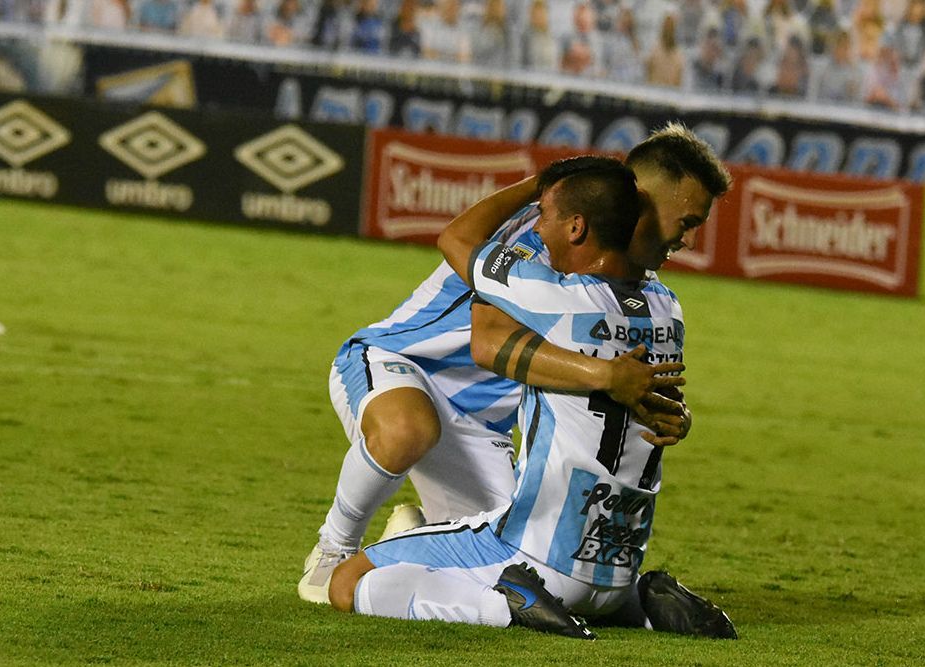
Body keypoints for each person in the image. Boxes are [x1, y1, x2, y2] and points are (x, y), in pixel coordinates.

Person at [297, 123, 731, 605]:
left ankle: (408, 538)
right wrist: (605, 376)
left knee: (516, 555)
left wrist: (669, 409)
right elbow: (490, 344)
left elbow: (627, 376)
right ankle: (334, 550)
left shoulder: (634, 276)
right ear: (641, 198)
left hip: (482, 426)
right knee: (407, 430)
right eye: (687, 221)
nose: (688, 239)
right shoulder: (543, 233)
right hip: (403, 365)